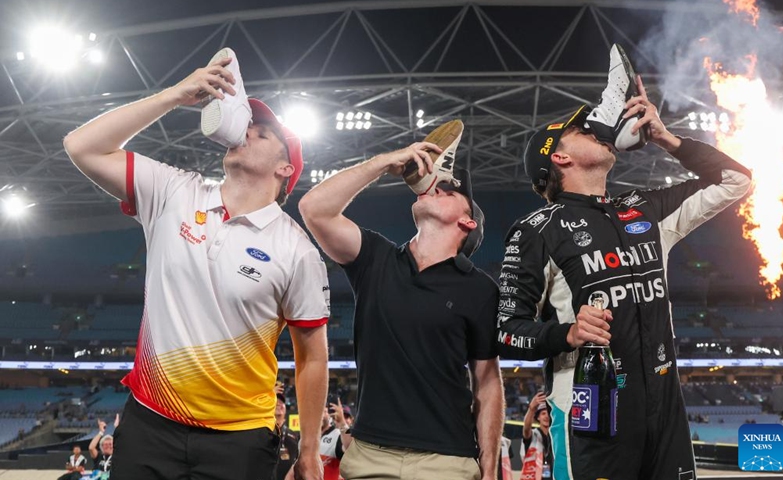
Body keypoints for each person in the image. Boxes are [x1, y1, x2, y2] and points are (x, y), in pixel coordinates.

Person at [63, 49, 330, 480]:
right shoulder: (174, 191)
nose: (247, 130)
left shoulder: (297, 250)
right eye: (247, 124)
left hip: (240, 438)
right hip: (150, 422)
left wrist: (311, 451)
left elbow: (313, 358)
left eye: (262, 133)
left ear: (285, 168)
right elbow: (81, 146)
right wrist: (174, 95)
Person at [494, 56, 752, 480]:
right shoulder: (536, 230)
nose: (597, 129)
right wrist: (567, 333)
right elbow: (505, 330)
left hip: (665, 409)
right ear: (558, 158)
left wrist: (668, 139)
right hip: (592, 414)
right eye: (580, 130)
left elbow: (736, 181)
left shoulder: (646, 208)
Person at [299, 127, 504, 480]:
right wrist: (383, 163)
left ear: (467, 222)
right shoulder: (375, 257)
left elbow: (487, 381)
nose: (437, 185)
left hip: (446, 461)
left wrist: (489, 468)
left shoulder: (479, 288)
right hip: (369, 456)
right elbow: (313, 209)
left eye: (451, 191)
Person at [520, 393, 552, 480]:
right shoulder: (534, 435)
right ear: (538, 417)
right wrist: (531, 409)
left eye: (548, 413)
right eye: (543, 414)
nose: (546, 416)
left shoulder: (555, 436)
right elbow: (526, 429)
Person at [275, 392, 300, 480]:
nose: (279, 404)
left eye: (282, 402)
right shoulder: (264, 431)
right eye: (275, 401)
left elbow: (298, 459)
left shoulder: (294, 435)